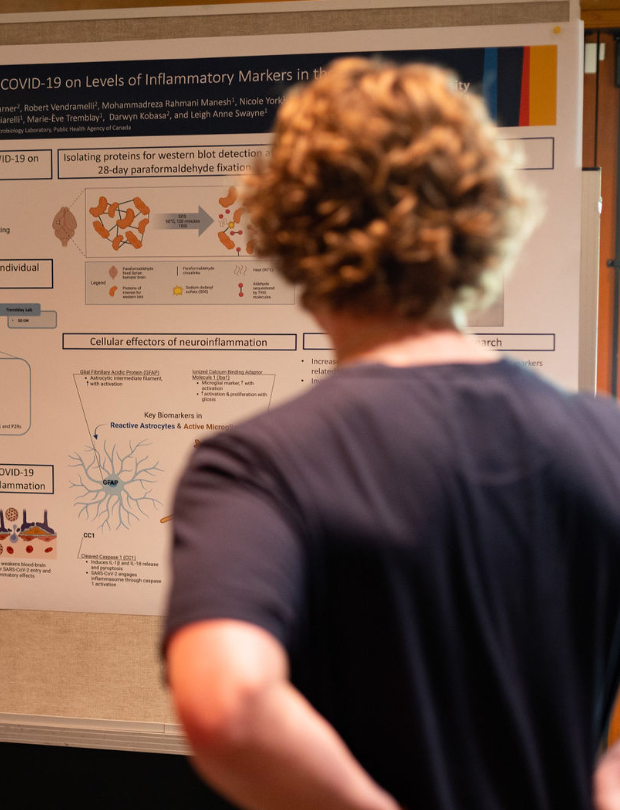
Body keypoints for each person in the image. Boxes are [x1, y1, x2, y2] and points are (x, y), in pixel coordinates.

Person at [163, 58, 620, 810]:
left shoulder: (256, 468)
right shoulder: (604, 440)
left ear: (290, 237)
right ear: (487, 225)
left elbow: (229, 701)